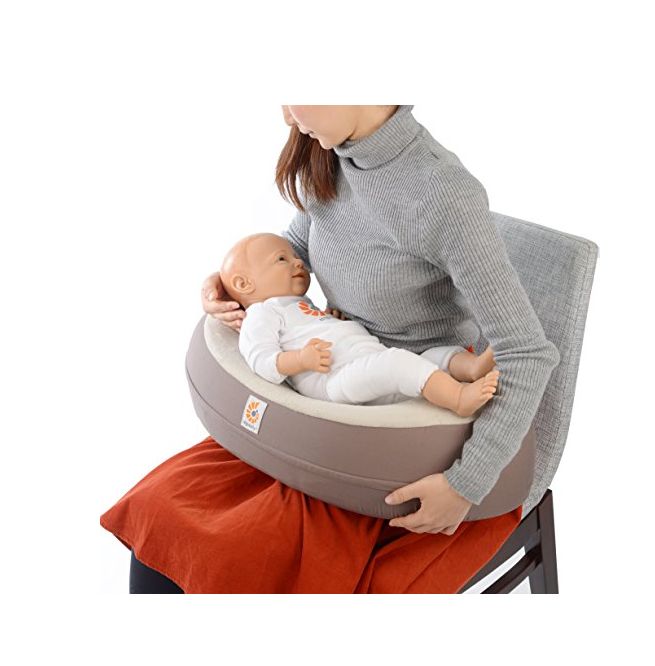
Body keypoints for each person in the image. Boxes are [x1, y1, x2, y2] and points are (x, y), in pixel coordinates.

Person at [100, 105, 559, 594]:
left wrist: (465, 484)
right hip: (331, 397)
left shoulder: (440, 193)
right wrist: (233, 287)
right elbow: (298, 248)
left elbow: (527, 353)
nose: (286, 115)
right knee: (160, 518)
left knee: (232, 558)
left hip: (408, 433)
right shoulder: (334, 156)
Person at [220, 231, 500, 415]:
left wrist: (332, 320)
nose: (298, 263)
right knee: (397, 363)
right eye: (282, 259)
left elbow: (312, 332)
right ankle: (459, 398)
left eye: (295, 256)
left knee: (432, 356)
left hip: (365, 366)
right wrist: (300, 360)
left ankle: (472, 367)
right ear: (244, 284)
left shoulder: (301, 306)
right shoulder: (261, 314)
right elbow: (262, 360)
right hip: (333, 383)